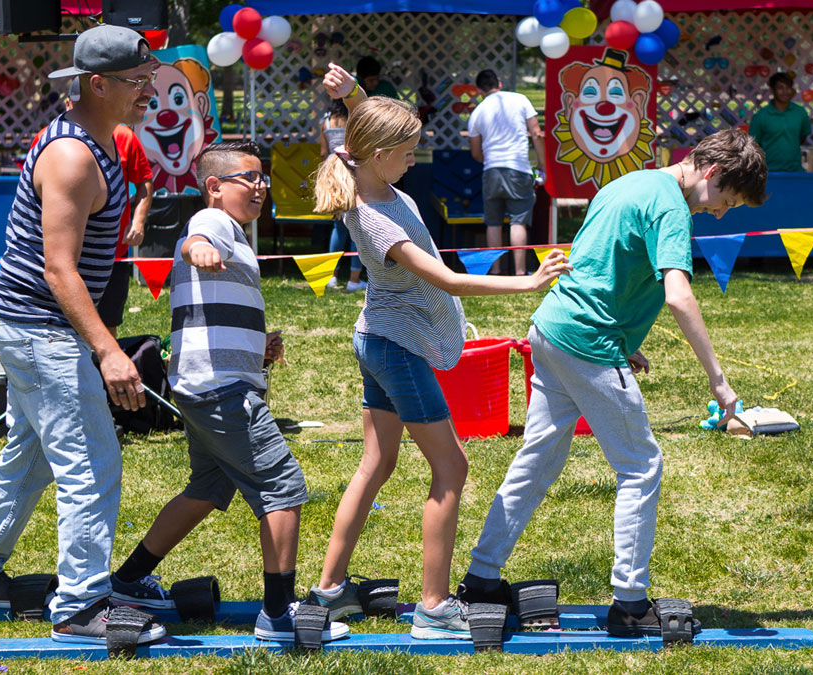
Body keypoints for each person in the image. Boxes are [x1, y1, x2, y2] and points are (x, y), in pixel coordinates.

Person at [457, 129, 769, 638]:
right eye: (727, 201)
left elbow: (595, 263)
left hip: (551, 330)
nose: (721, 213)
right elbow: (678, 297)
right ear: (711, 173)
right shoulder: (671, 209)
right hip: (587, 345)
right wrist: (719, 382)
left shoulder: (633, 183)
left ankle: (481, 578)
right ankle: (629, 603)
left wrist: (625, 337)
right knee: (641, 466)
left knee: (536, 460)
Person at [307, 63, 571, 641]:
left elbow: (364, 122)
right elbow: (447, 280)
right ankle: (433, 608)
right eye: (408, 152)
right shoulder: (376, 220)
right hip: (395, 349)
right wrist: (527, 283)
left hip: (377, 339)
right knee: (451, 467)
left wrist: (352, 92)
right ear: (379, 156)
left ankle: (327, 593)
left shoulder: (365, 169)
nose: (414, 160)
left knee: (376, 463)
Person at [0, 25, 164, 646]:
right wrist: (108, 349)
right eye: (138, 81)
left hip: (33, 326)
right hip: (44, 329)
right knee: (91, 463)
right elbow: (58, 267)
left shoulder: (99, 140)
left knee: (31, 455)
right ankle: (81, 608)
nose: (150, 89)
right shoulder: (71, 156)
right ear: (98, 84)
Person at [108, 142, 349, 644]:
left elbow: (212, 314)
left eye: (263, 178)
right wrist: (196, 247)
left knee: (206, 489)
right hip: (223, 393)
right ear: (215, 188)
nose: (261, 186)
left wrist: (258, 348)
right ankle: (278, 616)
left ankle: (128, 581)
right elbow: (195, 237)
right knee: (282, 487)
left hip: (205, 385)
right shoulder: (213, 224)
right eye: (250, 177)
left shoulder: (235, 236)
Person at [32, 79, 155, 334]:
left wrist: (138, 221)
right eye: (76, 106)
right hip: (64, 254)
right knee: (62, 324)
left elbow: (144, 182)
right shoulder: (49, 139)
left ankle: (101, 368)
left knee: (108, 323)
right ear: (68, 104)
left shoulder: (125, 137)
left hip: (113, 251)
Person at [468, 68, 547, 276]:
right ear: (499, 83)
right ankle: (520, 272)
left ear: (479, 90)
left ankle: (496, 270)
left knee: (493, 223)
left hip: (491, 170)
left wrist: (492, 159)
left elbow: (476, 153)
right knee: (518, 221)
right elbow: (537, 134)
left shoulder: (477, 113)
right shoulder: (520, 100)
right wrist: (542, 163)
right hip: (518, 168)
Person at [318, 99, 364, 292]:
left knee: (338, 227)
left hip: (332, 171)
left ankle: (332, 277)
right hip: (351, 170)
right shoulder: (354, 119)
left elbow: (322, 151)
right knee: (357, 226)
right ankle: (354, 280)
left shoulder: (325, 121)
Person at [748, 72, 811, 173]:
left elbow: (802, 137)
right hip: (768, 173)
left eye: (788, 87)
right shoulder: (761, 116)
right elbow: (754, 145)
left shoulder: (800, 113)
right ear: (772, 90)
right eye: (780, 88)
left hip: (795, 171)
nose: (785, 91)